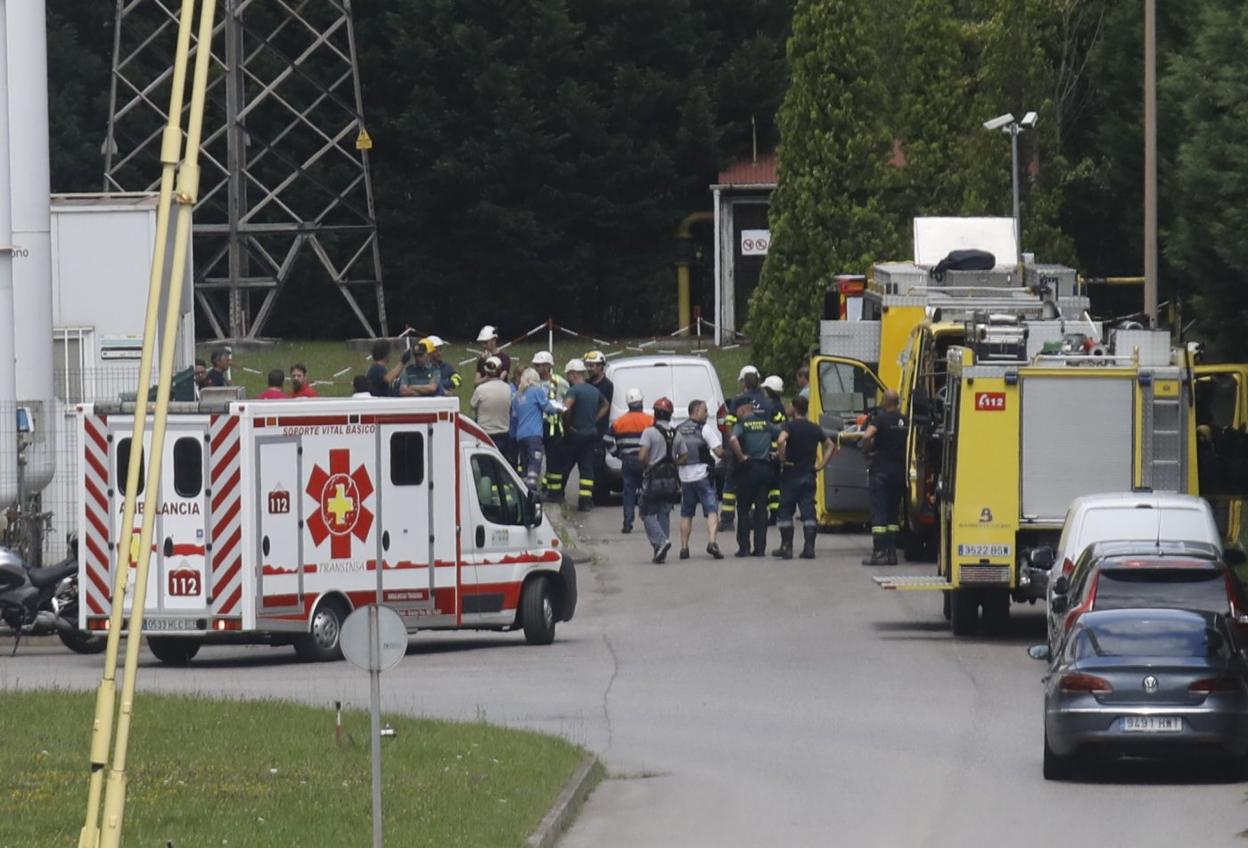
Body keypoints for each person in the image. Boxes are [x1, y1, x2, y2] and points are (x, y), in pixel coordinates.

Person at [774, 395, 836, 559]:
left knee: (785, 510)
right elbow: (830, 445)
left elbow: (781, 440)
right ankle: (809, 548)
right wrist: (821, 465)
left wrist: (782, 457)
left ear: (794, 408)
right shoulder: (814, 428)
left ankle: (786, 547)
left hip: (791, 473)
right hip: (809, 473)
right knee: (808, 511)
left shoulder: (790, 426)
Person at [858, 389, 908, 566]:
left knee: (879, 513)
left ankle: (879, 553)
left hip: (881, 472)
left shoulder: (880, 418)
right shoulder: (904, 420)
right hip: (899, 472)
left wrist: (866, 450)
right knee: (893, 515)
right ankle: (892, 553)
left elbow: (867, 435)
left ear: (885, 401)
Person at [728, 392, 779, 557]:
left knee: (743, 509)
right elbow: (783, 437)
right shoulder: (765, 423)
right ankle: (760, 548)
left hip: (748, 469)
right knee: (761, 510)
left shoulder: (742, 424)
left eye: (737, 410)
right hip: (765, 468)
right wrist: (778, 454)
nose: (736, 413)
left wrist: (741, 456)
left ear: (744, 409)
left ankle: (744, 548)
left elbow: (733, 439)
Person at [638, 397, 687, 563]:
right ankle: (661, 552)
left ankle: (661, 542)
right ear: (670, 415)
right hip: (671, 479)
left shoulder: (649, 432)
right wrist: (674, 462)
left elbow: (642, 456)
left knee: (646, 512)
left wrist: (646, 466)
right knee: (664, 512)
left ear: (655, 413)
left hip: (653, 478)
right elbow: (685, 456)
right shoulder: (676, 434)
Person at [677, 399, 724, 560]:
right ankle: (712, 542)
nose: (707, 413)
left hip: (684, 476)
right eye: (705, 410)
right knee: (711, 510)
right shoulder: (704, 429)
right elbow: (718, 451)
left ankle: (684, 548)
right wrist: (729, 456)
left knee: (686, 512)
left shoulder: (678, 429)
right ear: (696, 411)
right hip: (703, 474)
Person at [720, 365, 766, 532]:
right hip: (759, 449)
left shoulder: (737, 401)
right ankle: (754, 519)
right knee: (754, 485)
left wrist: (732, 445)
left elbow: (729, 424)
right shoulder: (764, 401)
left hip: (739, 447)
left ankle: (727, 520)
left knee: (730, 485)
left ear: (744, 382)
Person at [562, 358, 608, 511]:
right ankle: (586, 501)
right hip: (591, 434)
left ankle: (558, 494)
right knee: (587, 468)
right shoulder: (594, 390)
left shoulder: (574, 390)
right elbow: (605, 404)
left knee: (565, 465)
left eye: (568, 375)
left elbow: (567, 408)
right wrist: (595, 419)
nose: (568, 379)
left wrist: (568, 425)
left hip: (575, 434)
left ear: (573, 375)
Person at [511, 368, 564, 492]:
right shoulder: (536, 391)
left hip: (520, 435)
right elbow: (547, 408)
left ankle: (523, 488)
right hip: (534, 433)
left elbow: (514, 415)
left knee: (524, 463)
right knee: (535, 461)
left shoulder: (517, 396)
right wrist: (559, 409)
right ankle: (532, 488)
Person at [610, 388, 653, 534]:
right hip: (645, 459)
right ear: (641, 402)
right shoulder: (650, 420)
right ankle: (650, 520)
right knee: (648, 490)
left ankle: (628, 523)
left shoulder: (619, 422)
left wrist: (617, 453)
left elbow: (606, 440)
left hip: (627, 460)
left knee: (628, 492)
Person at [533, 351, 570, 501]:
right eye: (536, 365)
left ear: (548, 366)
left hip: (554, 427)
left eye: (540, 365)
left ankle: (555, 494)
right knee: (534, 459)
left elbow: (566, 404)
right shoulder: (533, 382)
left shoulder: (560, 383)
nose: (537, 368)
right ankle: (537, 489)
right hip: (536, 425)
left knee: (554, 461)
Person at [472, 356, 514, 461]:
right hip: (504, 432)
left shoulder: (480, 390)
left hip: (485, 433)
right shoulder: (507, 388)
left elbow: (472, 405)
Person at [761, 375, 788, 522]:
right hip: (778, 450)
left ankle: (768, 513)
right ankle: (775, 512)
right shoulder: (781, 407)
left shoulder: (769, 407)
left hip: (769, 451)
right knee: (775, 485)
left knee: (767, 484)